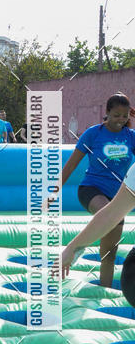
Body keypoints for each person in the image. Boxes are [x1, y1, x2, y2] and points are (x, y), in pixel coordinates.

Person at [53, 92, 135, 287]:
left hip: (117, 196)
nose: (120, 121)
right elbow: (71, 165)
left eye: (125, 117)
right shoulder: (93, 133)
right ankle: (78, 247)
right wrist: (54, 191)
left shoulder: (130, 137)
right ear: (106, 113)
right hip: (91, 189)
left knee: (109, 252)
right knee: (108, 214)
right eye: (116, 116)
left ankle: (104, 289)